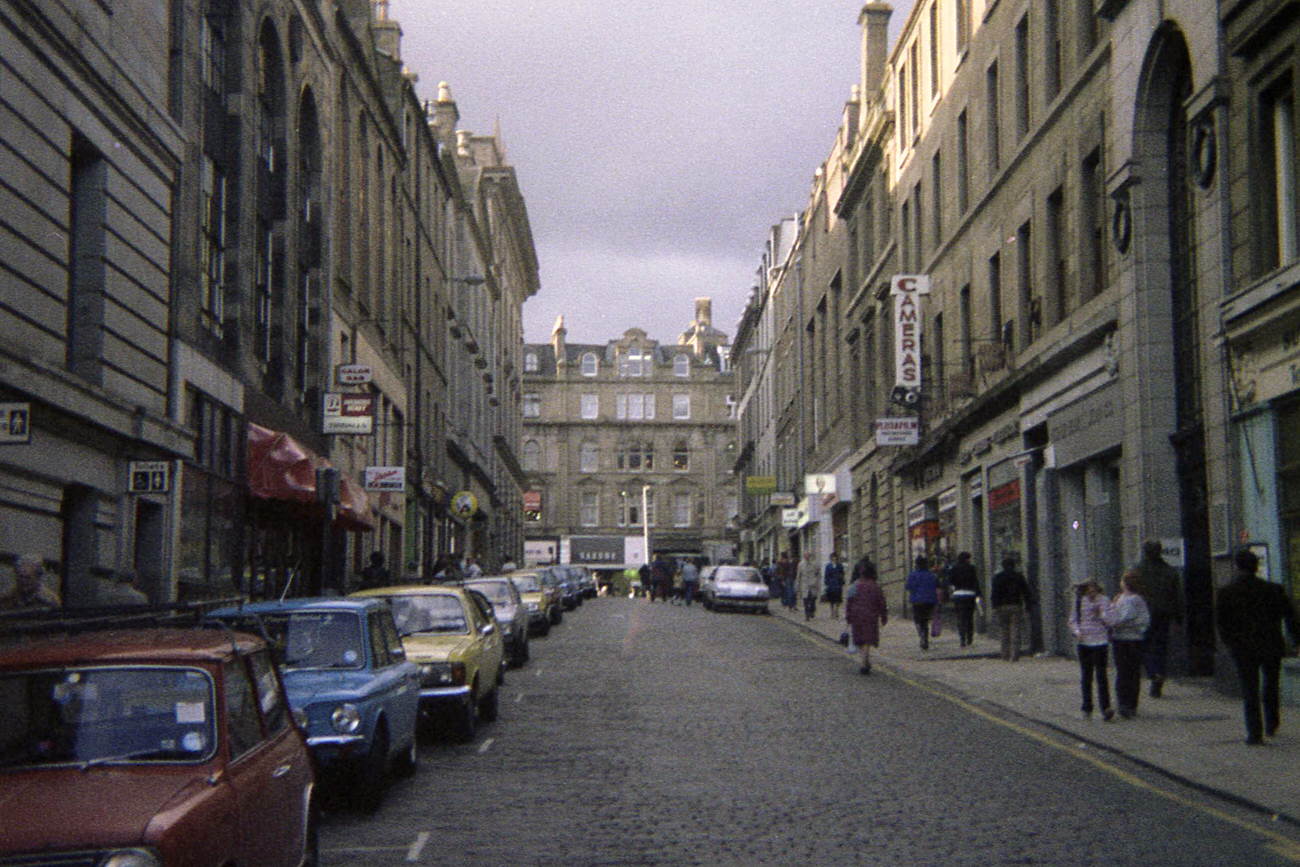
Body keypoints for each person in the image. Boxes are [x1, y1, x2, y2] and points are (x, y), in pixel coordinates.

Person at [1216, 548, 1300, 744]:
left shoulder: (1226, 592)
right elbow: (1290, 617)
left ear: (1237, 567)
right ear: (1256, 566)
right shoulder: (1274, 589)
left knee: (1250, 689)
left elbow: (1222, 622)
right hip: (1271, 644)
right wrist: (1297, 641)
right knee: (1271, 685)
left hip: (1243, 648)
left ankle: (1254, 733)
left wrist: (1230, 643)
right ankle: (1272, 723)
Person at [1134, 540, 1182, 697]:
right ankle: (1159, 674)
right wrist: (1178, 617)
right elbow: (1177, 596)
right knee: (1161, 647)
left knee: (1142, 646)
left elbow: (1131, 592)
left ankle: (1153, 673)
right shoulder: (1170, 571)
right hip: (1163, 613)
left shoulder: (1138, 571)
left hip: (1143, 613)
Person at [1105, 570, 1151, 719]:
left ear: (1125, 583)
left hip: (1127, 640)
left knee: (1126, 673)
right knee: (1130, 673)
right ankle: (1128, 704)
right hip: (1129, 640)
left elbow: (1124, 618)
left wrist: (1112, 623)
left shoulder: (1133, 599)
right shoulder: (1122, 598)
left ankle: (1126, 704)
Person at [1069, 580, 1115, 720]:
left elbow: (1111, 621)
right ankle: (1087, 707)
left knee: (1101, 675)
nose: (1091, 595)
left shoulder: (1105, 601)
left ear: (1098, 590)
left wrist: (1101, 613)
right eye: (1088, 593)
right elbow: (1073, 620)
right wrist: (1077, 632)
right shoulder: (1079, 601)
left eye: (1093, 592)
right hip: (1084, 643)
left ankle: (1105, 707)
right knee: (1086, 676)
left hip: (1100, 642)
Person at [844, 558, 888, 674]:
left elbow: (849, 601)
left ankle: (864, 661)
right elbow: (882, 602)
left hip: (856, 614)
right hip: (871, 615)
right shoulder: (875, 586)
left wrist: (848, 616)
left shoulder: (854, 586)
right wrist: (884, 616)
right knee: (868, 639)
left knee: (860, 639)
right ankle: (865, 661)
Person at [990, 556, 1032, 661]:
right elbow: (1026, 592)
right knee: (1015, 630)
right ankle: (1015, 654)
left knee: (1004, 631)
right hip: (1015, 605)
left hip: (1001, 606)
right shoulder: (1019, 576)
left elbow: (994, 593)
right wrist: (1028, 605)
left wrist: (994, 606)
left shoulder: (998, 577)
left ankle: (1005, 654)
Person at [904, 556, 940, 650]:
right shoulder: (931, 575)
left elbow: (908, 587)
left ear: (917, 565)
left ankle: (922, 635)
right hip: (930, 601)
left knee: (918, 620)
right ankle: (925, 637)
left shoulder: (913, 575)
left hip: (917, 601)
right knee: (925, 620)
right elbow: (937, 585)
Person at [947, 552, 981, 647]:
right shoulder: (971, 568)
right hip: (970, 595)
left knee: (960, 617)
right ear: (966, 559)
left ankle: (962, 638)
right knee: (969, 617)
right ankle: (969, 638)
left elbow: (950, 582)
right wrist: (978, 594)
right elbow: (975, 581)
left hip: (958, 595)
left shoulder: (954, 569)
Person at [796, 551, 822, 621]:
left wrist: (817, 581)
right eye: (805, 556)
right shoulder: (801, 564)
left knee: (813, 599)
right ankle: (807, 615)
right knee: (806, 600)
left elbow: (818, 572)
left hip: (813, 584)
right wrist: (797, 585)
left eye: (808, 556)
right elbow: (798, 575)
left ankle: (812, 610)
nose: (807, 557)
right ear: (804, 557)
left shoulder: (814, 564)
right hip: (805, 585)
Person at [822, 552, 845, 620]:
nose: (834, 559)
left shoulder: (840, 565)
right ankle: (832, 612)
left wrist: (842, 581)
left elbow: (842, 573)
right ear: (831, 558)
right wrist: (826, 583)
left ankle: (837, 611)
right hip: (831, 584)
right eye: (833, 557)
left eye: (835, 557)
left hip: (838, 584)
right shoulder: (828, 566)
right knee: (831, 599)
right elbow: (826, 575)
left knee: (838, 598)